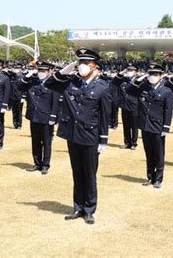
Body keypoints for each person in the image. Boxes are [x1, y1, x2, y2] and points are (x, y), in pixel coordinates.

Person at [45, 49, 111, 224]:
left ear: (94, 65)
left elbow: (105, 116)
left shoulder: (102, 88)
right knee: (77, 173)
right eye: (80, 62)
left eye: (87, 63)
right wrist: (67, 68)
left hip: (90, 136)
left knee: (89, 174)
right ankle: (77, 207)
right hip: (73, 135)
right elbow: (49, 83)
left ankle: (89, 209)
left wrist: (103, 140)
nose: (83, 66)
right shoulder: (71, 83)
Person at [126, 63, 173, 188]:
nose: (153, 77)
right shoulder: (143, 87)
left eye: (155, 74)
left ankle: (158, 179)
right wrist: (140, 79)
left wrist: (166, 127)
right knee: (149, 153)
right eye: (151, 74)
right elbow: (129, 90)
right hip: (145, 125)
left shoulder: (166, 91)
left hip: (158, 126)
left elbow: (168, 110)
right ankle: (150, 177)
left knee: (159, 153)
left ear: (161, 76)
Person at [18, 61, 60, 174]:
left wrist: (53, 116)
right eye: (39, 70)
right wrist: (27, 75)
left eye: (43, 71)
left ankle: (45, 164)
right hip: (34, 116)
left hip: (46, 117)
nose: (41, 73)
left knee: (46, 142)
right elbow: (20, 86)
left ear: (49, 71)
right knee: (35, 141)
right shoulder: (33, 81)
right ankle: (37, 163)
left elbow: (55, 102)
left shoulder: (53, 83)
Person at [112, 64, 139, 150]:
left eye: (132, 71)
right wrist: (121, 73)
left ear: (136, 72)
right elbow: (114, 81)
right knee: (126, 125)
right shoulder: (124, 79)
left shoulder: (139, 80)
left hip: (134, 106)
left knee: (134, 125)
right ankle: (127, 142)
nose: (130, 72)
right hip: (124, 105)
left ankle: (134, 143)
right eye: (129, 70)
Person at [7, 63, 25, 129]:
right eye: (15, 68)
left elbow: (24, 87)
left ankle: (19, 124)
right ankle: (15, 123)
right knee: (14, 111)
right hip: (13, 96)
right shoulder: (12, 76)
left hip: (19, 96)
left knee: (19, 111)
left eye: (18, 68)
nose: (16, 70)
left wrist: (23, 96)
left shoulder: (22, 77)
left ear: (20, 69)